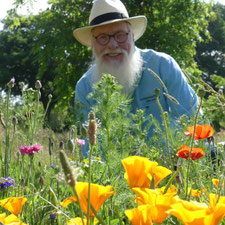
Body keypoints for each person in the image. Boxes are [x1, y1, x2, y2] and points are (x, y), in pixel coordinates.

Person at [73, 0, 199, 155]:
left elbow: (193, 120)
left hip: (170, 169)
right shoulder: (84, 88)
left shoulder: (162, 66)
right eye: (102, 37)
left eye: (120, 35)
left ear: (132, 36)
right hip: (114, 177)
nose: (112, 45)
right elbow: (90, 151)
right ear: (93, 43)